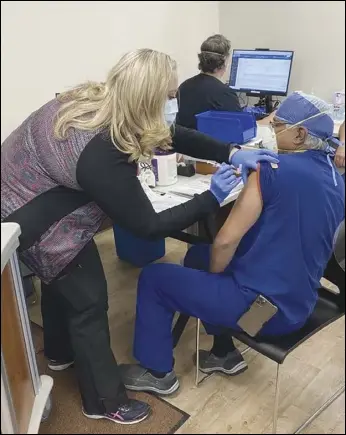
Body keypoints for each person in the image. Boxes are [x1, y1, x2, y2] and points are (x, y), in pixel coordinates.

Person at [1, 49, 278, 425]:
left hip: (25, 188)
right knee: (87, 298)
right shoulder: (101, 151)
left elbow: (169, 133)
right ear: (145, 98)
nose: (170, 103)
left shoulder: (96, 98)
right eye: (166, 97)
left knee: (59, 281)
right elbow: (145, 226)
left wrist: (229, 152)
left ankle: (59, 351)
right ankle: (104, 402)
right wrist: (209, 198)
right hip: (30, 212)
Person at [120, 92, 345, 395]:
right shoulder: (336, 179)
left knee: (154, 277)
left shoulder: (271, 170)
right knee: (197, 256)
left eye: (278, 125)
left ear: (300, 133)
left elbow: (225, 241)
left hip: (261, 316)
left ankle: (157, 374)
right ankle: (222, 354)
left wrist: (215, 281)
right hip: (300, 304)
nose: (272, 131)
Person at [176, 34, 241, 130]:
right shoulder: (225, 93)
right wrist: (268, 119)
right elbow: (241, 127)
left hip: (185, 143)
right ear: (225, 61)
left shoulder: (183, 87)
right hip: (212, 144)